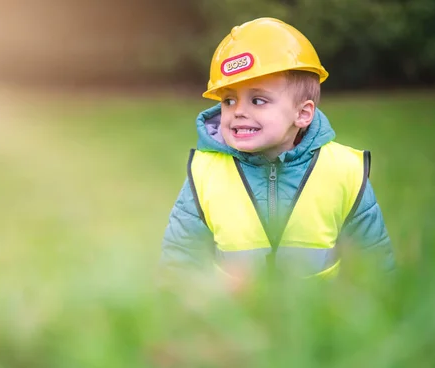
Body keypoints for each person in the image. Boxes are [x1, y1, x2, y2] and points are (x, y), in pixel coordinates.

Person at [160, 17, 394, 282]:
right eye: (229, 100)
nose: (238, 112)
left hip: (323, 317)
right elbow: (180, 259)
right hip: (235, 318)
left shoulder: (345, 172)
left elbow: (374, 262)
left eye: (258, 100)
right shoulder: (204, 174)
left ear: (303, 114)